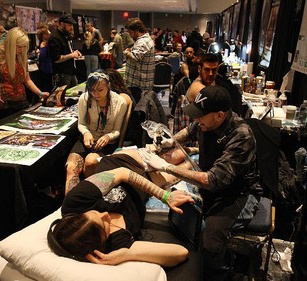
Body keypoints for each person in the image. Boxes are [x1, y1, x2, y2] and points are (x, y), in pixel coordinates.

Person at [142, 85, 259, 281]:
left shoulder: (241, 136)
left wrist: (165, 166)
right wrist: (168, 141)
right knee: (182, 225)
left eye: (201, 115)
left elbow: (212, 180)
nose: (196, 119)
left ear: (219, 115)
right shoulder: (205, 121)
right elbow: (187, 132)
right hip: (209, 184)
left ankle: (222, 272)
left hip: (234, 194)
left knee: (210, 244)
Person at [48, 150, 194, 266]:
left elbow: (123, 173)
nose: (105, 214)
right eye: (104, 225)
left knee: (178, 154)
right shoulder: (115, 243)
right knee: (188, 166)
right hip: (146, 186)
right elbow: (181, 252)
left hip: (126, 164)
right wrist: (127, 254)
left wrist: (165, 196)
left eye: (95, 213)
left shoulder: (75, 202)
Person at [65, 70, 128, 194]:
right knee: (71, 166)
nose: (96, 94)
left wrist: (108, 137)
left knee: (90, 161)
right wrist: (86, 133)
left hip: (107, 143)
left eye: (100, 90)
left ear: (108, 86)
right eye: (92, 90)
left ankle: (88, 197)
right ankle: (71, 205)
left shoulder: (120, 102)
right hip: (87, 138)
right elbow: (81, 124)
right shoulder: (85, 98)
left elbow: (117, 131)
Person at [0, 27, 49, 120]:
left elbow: (27, 79)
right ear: (10, 43)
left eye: (24, 46)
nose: (21, 50)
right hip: (1, 105)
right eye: (19, 46)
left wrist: (40, 93)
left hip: (21, 103)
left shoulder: (21, 55)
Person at [49, 14, 82, 89]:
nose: (71, 28)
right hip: (62, 74)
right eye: (69, 25)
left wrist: (74, 52)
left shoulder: (65, 36)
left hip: (71, 71)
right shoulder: (55, 38)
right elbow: (56, 59)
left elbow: (65, 52)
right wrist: (72, 55)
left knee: (73, 96)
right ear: (62, 24)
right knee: (61, 97)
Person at [124, 18, 155, 91]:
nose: (130, 35)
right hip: (140, 83)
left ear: (137, 31)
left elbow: (135, 56)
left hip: (138, 85)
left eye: (130, 32)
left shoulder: (142, 41)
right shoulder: (145, 40)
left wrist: (126, 52)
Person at [36, 25, 53, 92]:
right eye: (47, 33)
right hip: (46, 68)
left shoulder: (48, 43)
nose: (49, 34)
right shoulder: (43, 44)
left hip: (49, 68)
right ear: (44, 36)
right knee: (48, 87)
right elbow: (42, 57)